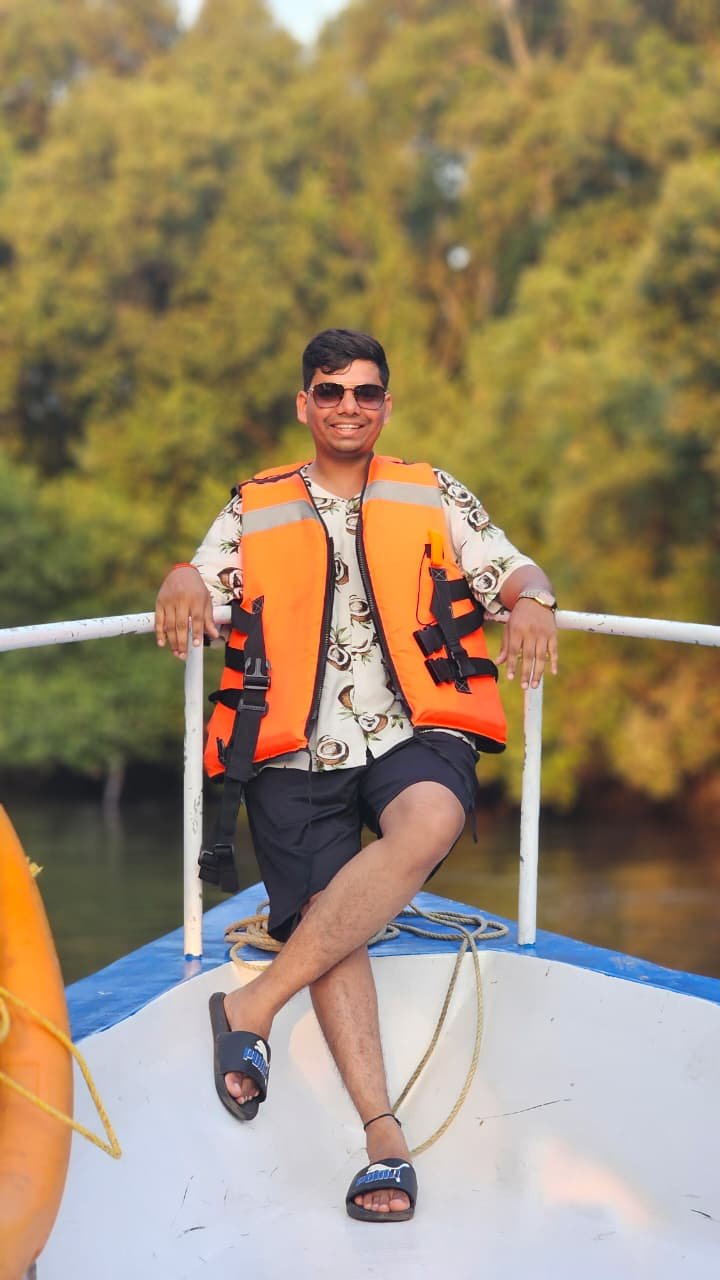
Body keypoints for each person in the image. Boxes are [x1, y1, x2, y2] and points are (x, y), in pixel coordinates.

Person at [155, 328, 558, 1223]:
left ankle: (253, 1007)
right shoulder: (254, 504)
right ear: (304, 403)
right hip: (292, 749)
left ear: (386, 405)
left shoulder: (432, 490)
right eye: (331, 391)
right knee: (327, 919)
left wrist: (534, 599)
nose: (348, 407)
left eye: (365, 392)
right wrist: (181, 576)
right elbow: (202, 583)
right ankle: (385, 1137)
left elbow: (510, 566)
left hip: (413, 728)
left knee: (429, 822)